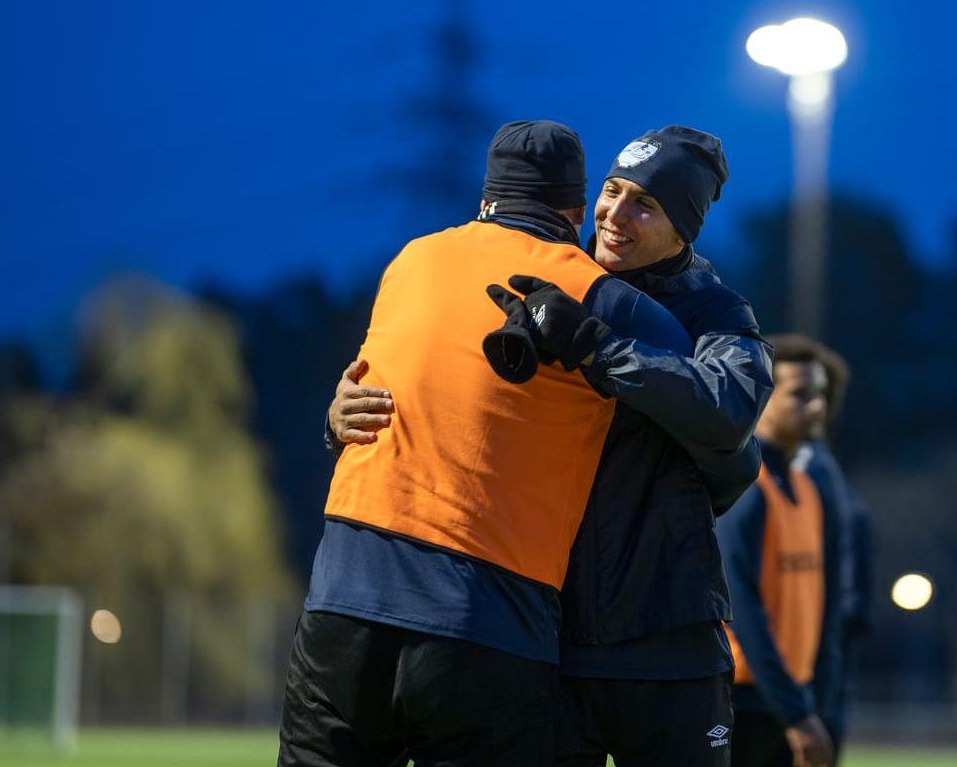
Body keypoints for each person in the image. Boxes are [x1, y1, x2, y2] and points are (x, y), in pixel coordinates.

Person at [328, 125, 774, 767]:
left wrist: (597, 345)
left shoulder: (717, 313)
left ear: (686, 229)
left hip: (668, 636)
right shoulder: (553, 274)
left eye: (645, 205)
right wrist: (340, 412)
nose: (615, 217)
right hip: (548, 639)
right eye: (612, 192)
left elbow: (730, 417)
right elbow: (437, 374)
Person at [719, 339, 845, 767]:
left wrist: (815, 705)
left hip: (794, 700)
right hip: (744, 701)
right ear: (764, 397)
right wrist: (798, 714)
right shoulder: (746, 487)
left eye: (822, 395)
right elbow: (742, 609)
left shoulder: (809, 488)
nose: (816, 407)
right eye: (800, 394)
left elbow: (826, 612)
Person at [775, 335, 874, 763]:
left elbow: (842, 592)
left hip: (797, 674)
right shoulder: (812, 471)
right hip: (805, 671)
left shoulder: (809, 474)